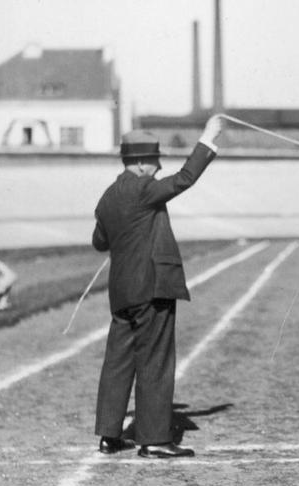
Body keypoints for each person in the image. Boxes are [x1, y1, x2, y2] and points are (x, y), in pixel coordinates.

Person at [92, 116, 224, 458]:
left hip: (122, 294)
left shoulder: (107, 198)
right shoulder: (143, 188)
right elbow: (184, 179)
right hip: (151, 288)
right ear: (137, 163)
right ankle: (153, 440)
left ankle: (109, 435)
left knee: (118, 362)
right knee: (155, 361)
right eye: (153, 163)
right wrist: (208, 138)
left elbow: (99, 241)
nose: (156, 168)